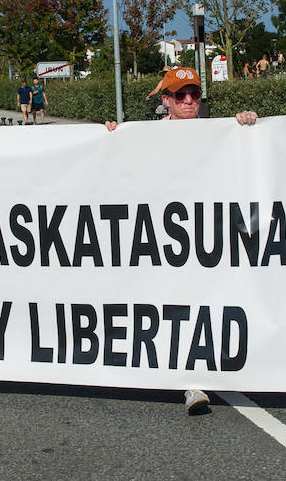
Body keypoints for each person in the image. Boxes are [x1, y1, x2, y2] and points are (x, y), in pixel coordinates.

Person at [105, 66, 258, 414]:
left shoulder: (220, 132)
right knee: (172, 303)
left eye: (194, 95)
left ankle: (217, 370)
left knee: (207, 300)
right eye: (180, 95)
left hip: (205, 236)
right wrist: (110, 139)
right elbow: (118, 170)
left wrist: (248, 125)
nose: (189, 100)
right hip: (161, 237)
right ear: (166, 101)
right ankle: (189, 381)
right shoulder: (144, 135)